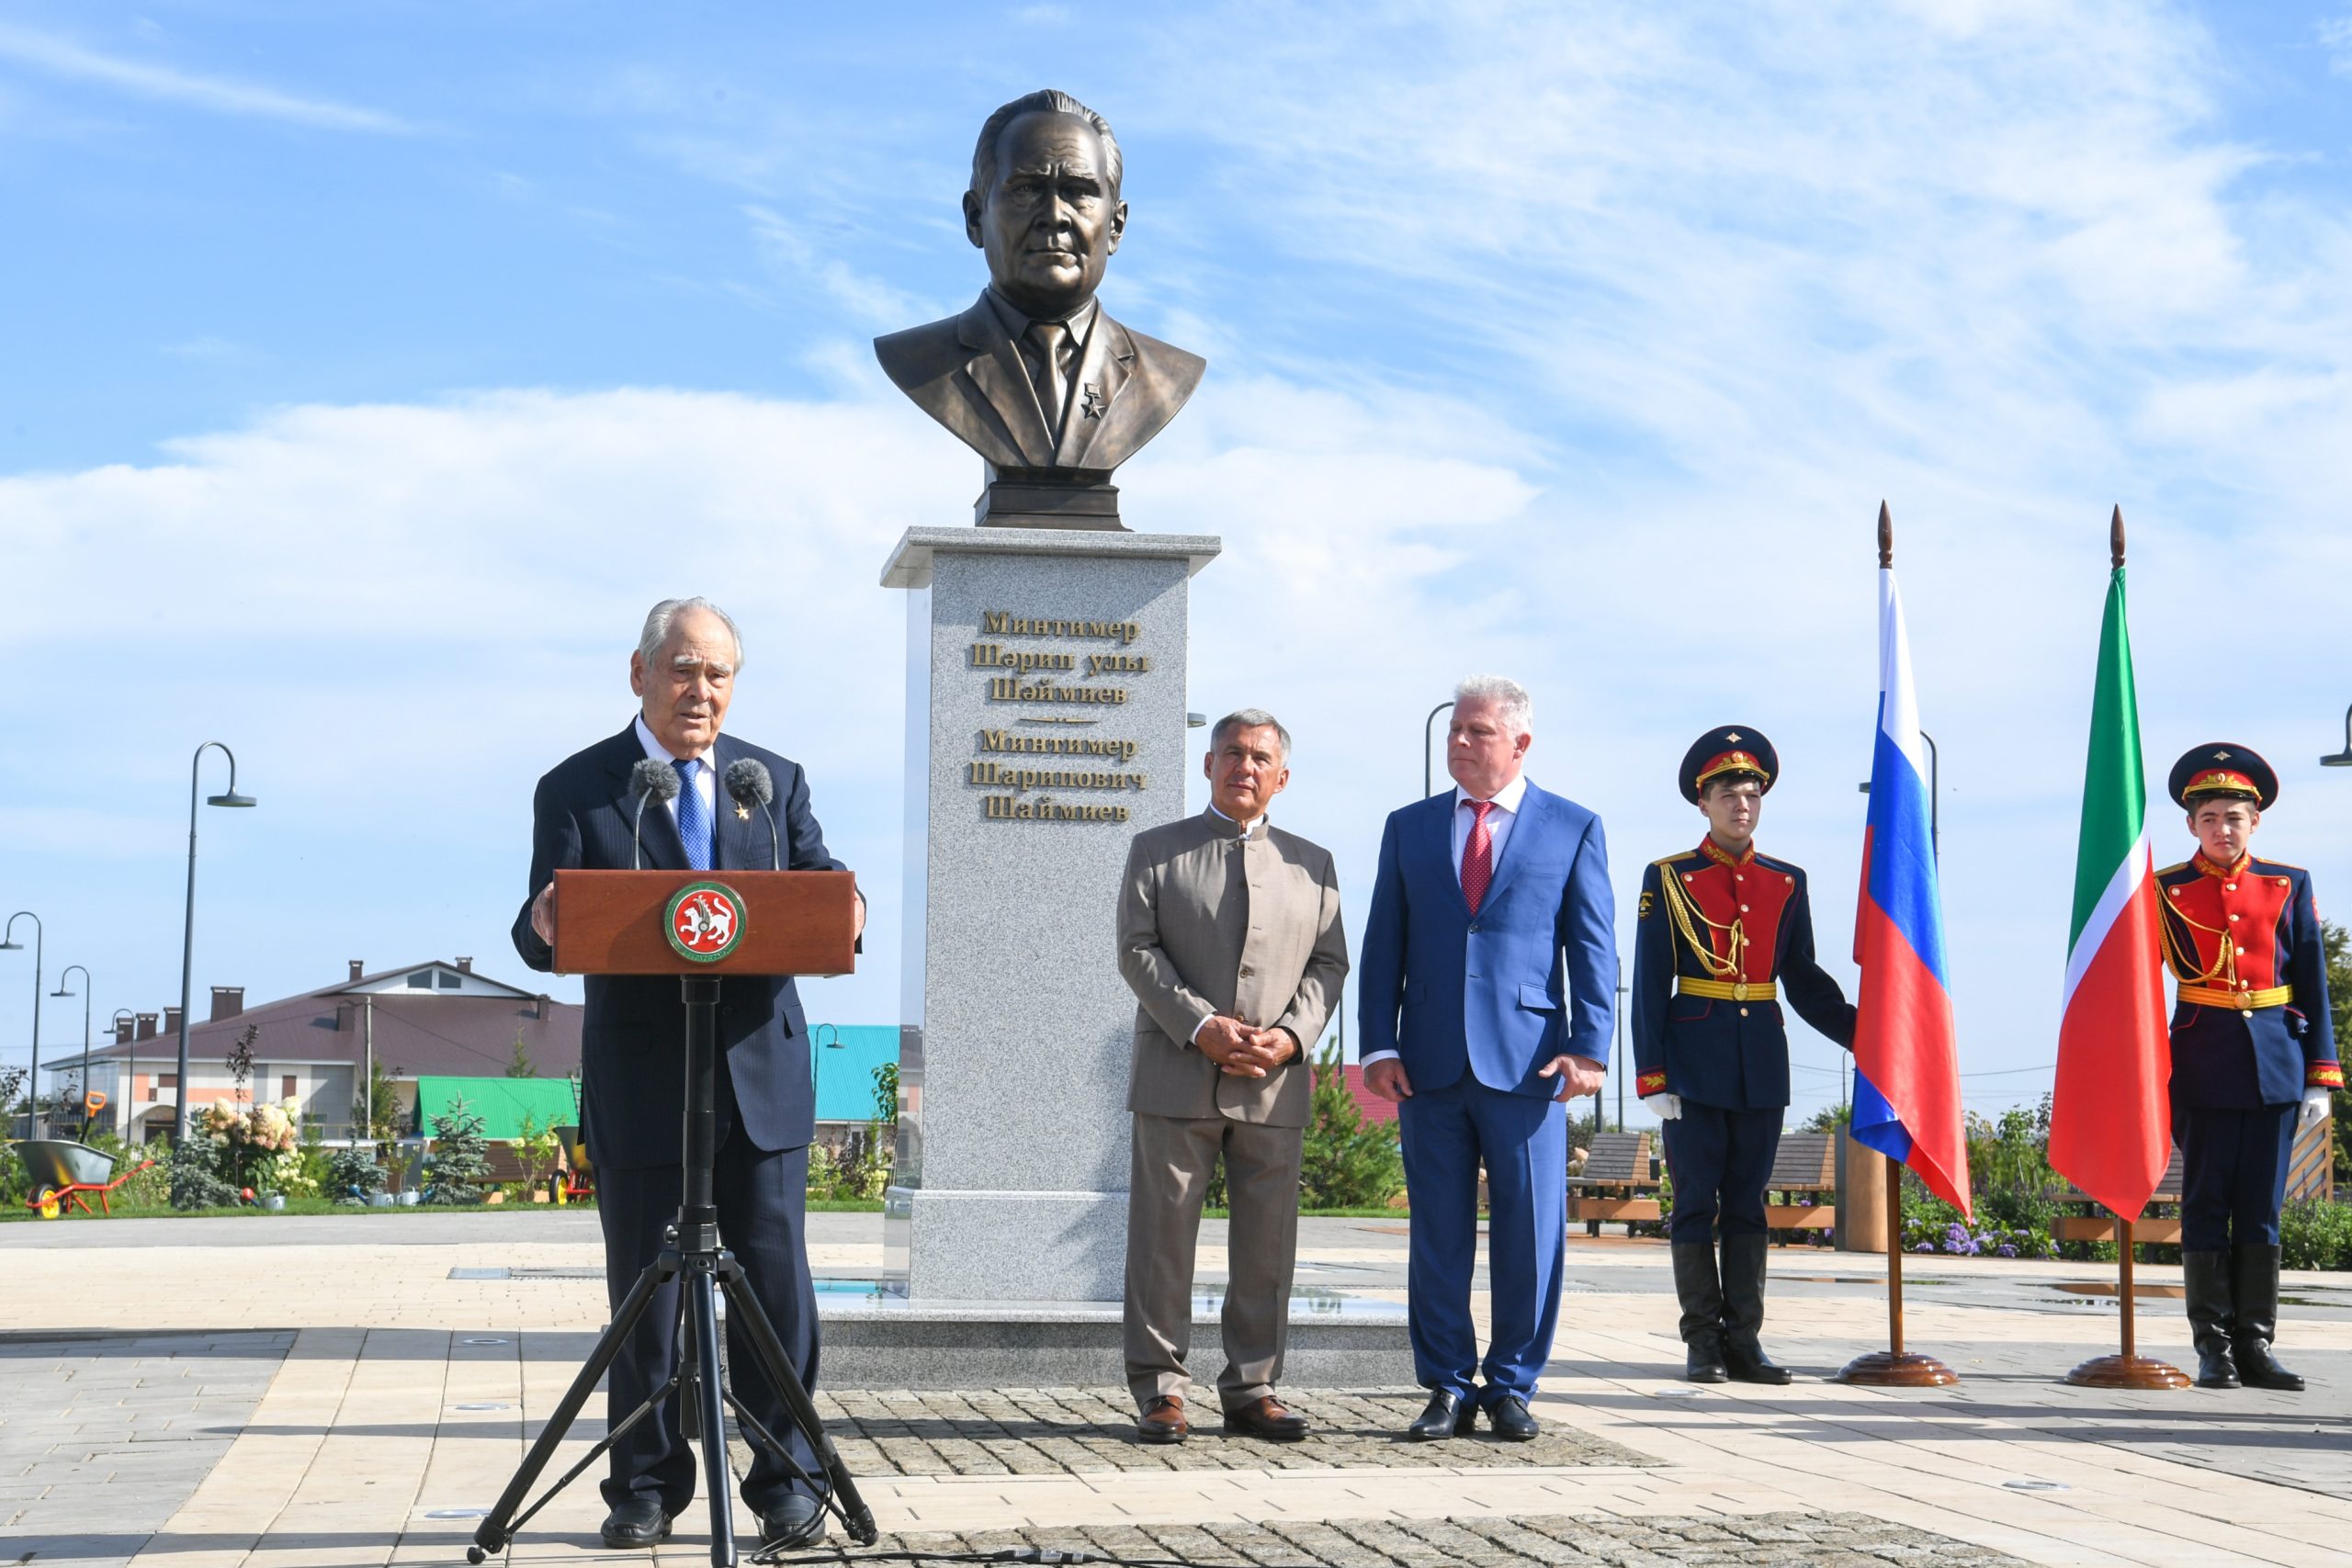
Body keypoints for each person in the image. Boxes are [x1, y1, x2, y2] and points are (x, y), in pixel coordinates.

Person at [510, 597, 863, 1551]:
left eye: (717, 674)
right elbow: (541, 923)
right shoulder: (581, 786)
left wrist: (851, 905)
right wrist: (545, 924)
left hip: (760, 1081)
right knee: (647, 1301)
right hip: (642, 1079)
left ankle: (787, 1478)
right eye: (680, 669)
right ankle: (646, 1485)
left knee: (776, 1296)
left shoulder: (769, 781)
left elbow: (821, 881)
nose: (698, 690)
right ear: (639, 674)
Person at [1358, 675, 1615, 1441]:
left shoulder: (1571, 826)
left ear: (1520, 743)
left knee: (1530, 1232)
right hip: (1428, 1063)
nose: (1460, 743)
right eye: (1455, 732)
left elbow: (1593, 946)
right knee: (1437, 1233)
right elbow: (1384, 945)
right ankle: (1444, 1383)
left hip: (1531, 1064)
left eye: (1477, 731)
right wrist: (1378, 1042)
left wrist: (1589, 1048)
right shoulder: (1409, 827)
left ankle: (1510, 1384)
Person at [1115, 709, 1349, 1445]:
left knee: (1266, 1246)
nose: (1245, 767)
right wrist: (1201, 1025)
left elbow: (1329, 963)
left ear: (1282, 777)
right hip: (1177, 1075)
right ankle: (1160, 1389)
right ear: (1208, 764)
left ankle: (1253, 1386)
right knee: (1162, 1240)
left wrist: (1289, 1036)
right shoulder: (1157, 851)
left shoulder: (1315, 864)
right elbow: (1137, 950)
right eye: (1232, 754)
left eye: (1260, 758)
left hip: (1273, 1084)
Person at [1631, 728, 1855, 1384]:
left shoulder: (1787, 881)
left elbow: (1804, 980)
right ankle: (1702, 1341)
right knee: (1697, 1203)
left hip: (1761, 1062)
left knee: (1750, 1205)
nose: (1742, 804)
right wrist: (1652, 1073)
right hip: (1692, 1066)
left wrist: (1867, 1033)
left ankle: (1744, 1341)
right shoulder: (1669, 878)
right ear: (1703, 802)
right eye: (1728, 793)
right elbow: (1649, 981)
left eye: (1752, 793)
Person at [873, 89, 1205, 478]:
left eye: (1078, 192)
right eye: (1028, 189)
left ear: (1115, 225)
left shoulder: (1166, 374)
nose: (1054, 216)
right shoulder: (921, 361)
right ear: (976, 217)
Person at [2157, 744, 2339, 1391]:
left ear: (2254, 821)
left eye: (2234, 817)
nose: (2222, 828)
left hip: (2276, 1066)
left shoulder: (2288, 882)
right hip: (2202, 1064)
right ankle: (2213, 1347)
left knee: (2262, 1209)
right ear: (2191, 824)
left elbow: (2311, 978)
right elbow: (2135, 985)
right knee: (2206, 1204)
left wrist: (2321, 1072)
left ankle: (2256, 1345)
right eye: (2210, 817)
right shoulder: (2165, 889)